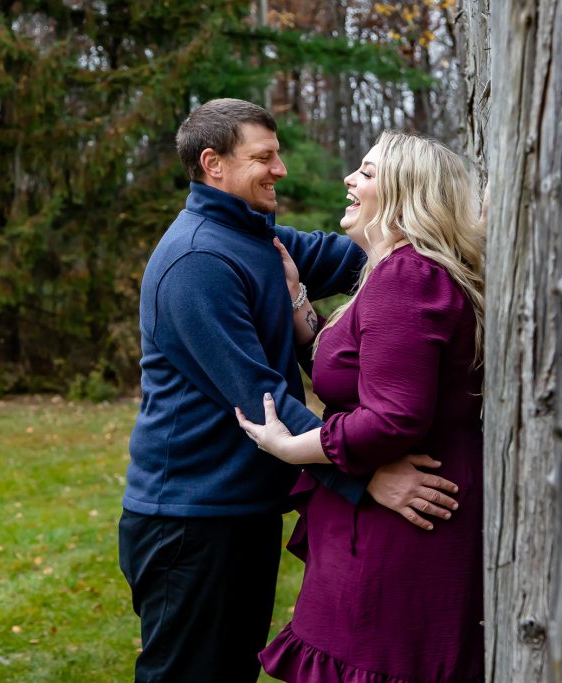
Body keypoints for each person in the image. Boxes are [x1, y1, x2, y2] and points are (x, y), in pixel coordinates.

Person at [119, 100, 463, 683]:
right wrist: (367, 473)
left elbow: (366, 249)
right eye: (264, 157)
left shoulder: (259, 239)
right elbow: (260, 400)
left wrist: (435, 219)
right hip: (191, 518)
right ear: (214, 164)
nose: (281, 168)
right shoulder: (199, 259)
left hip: (240, 510)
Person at [237, 130, 486, 683]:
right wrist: (300, 299)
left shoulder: (409, 276)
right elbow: (360, 369)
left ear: (405, 194)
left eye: (368, 173)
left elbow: (394, 418)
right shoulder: (398, 274)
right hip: (395, 520)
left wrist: (288, 445)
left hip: (407, 528)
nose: (350, 179)